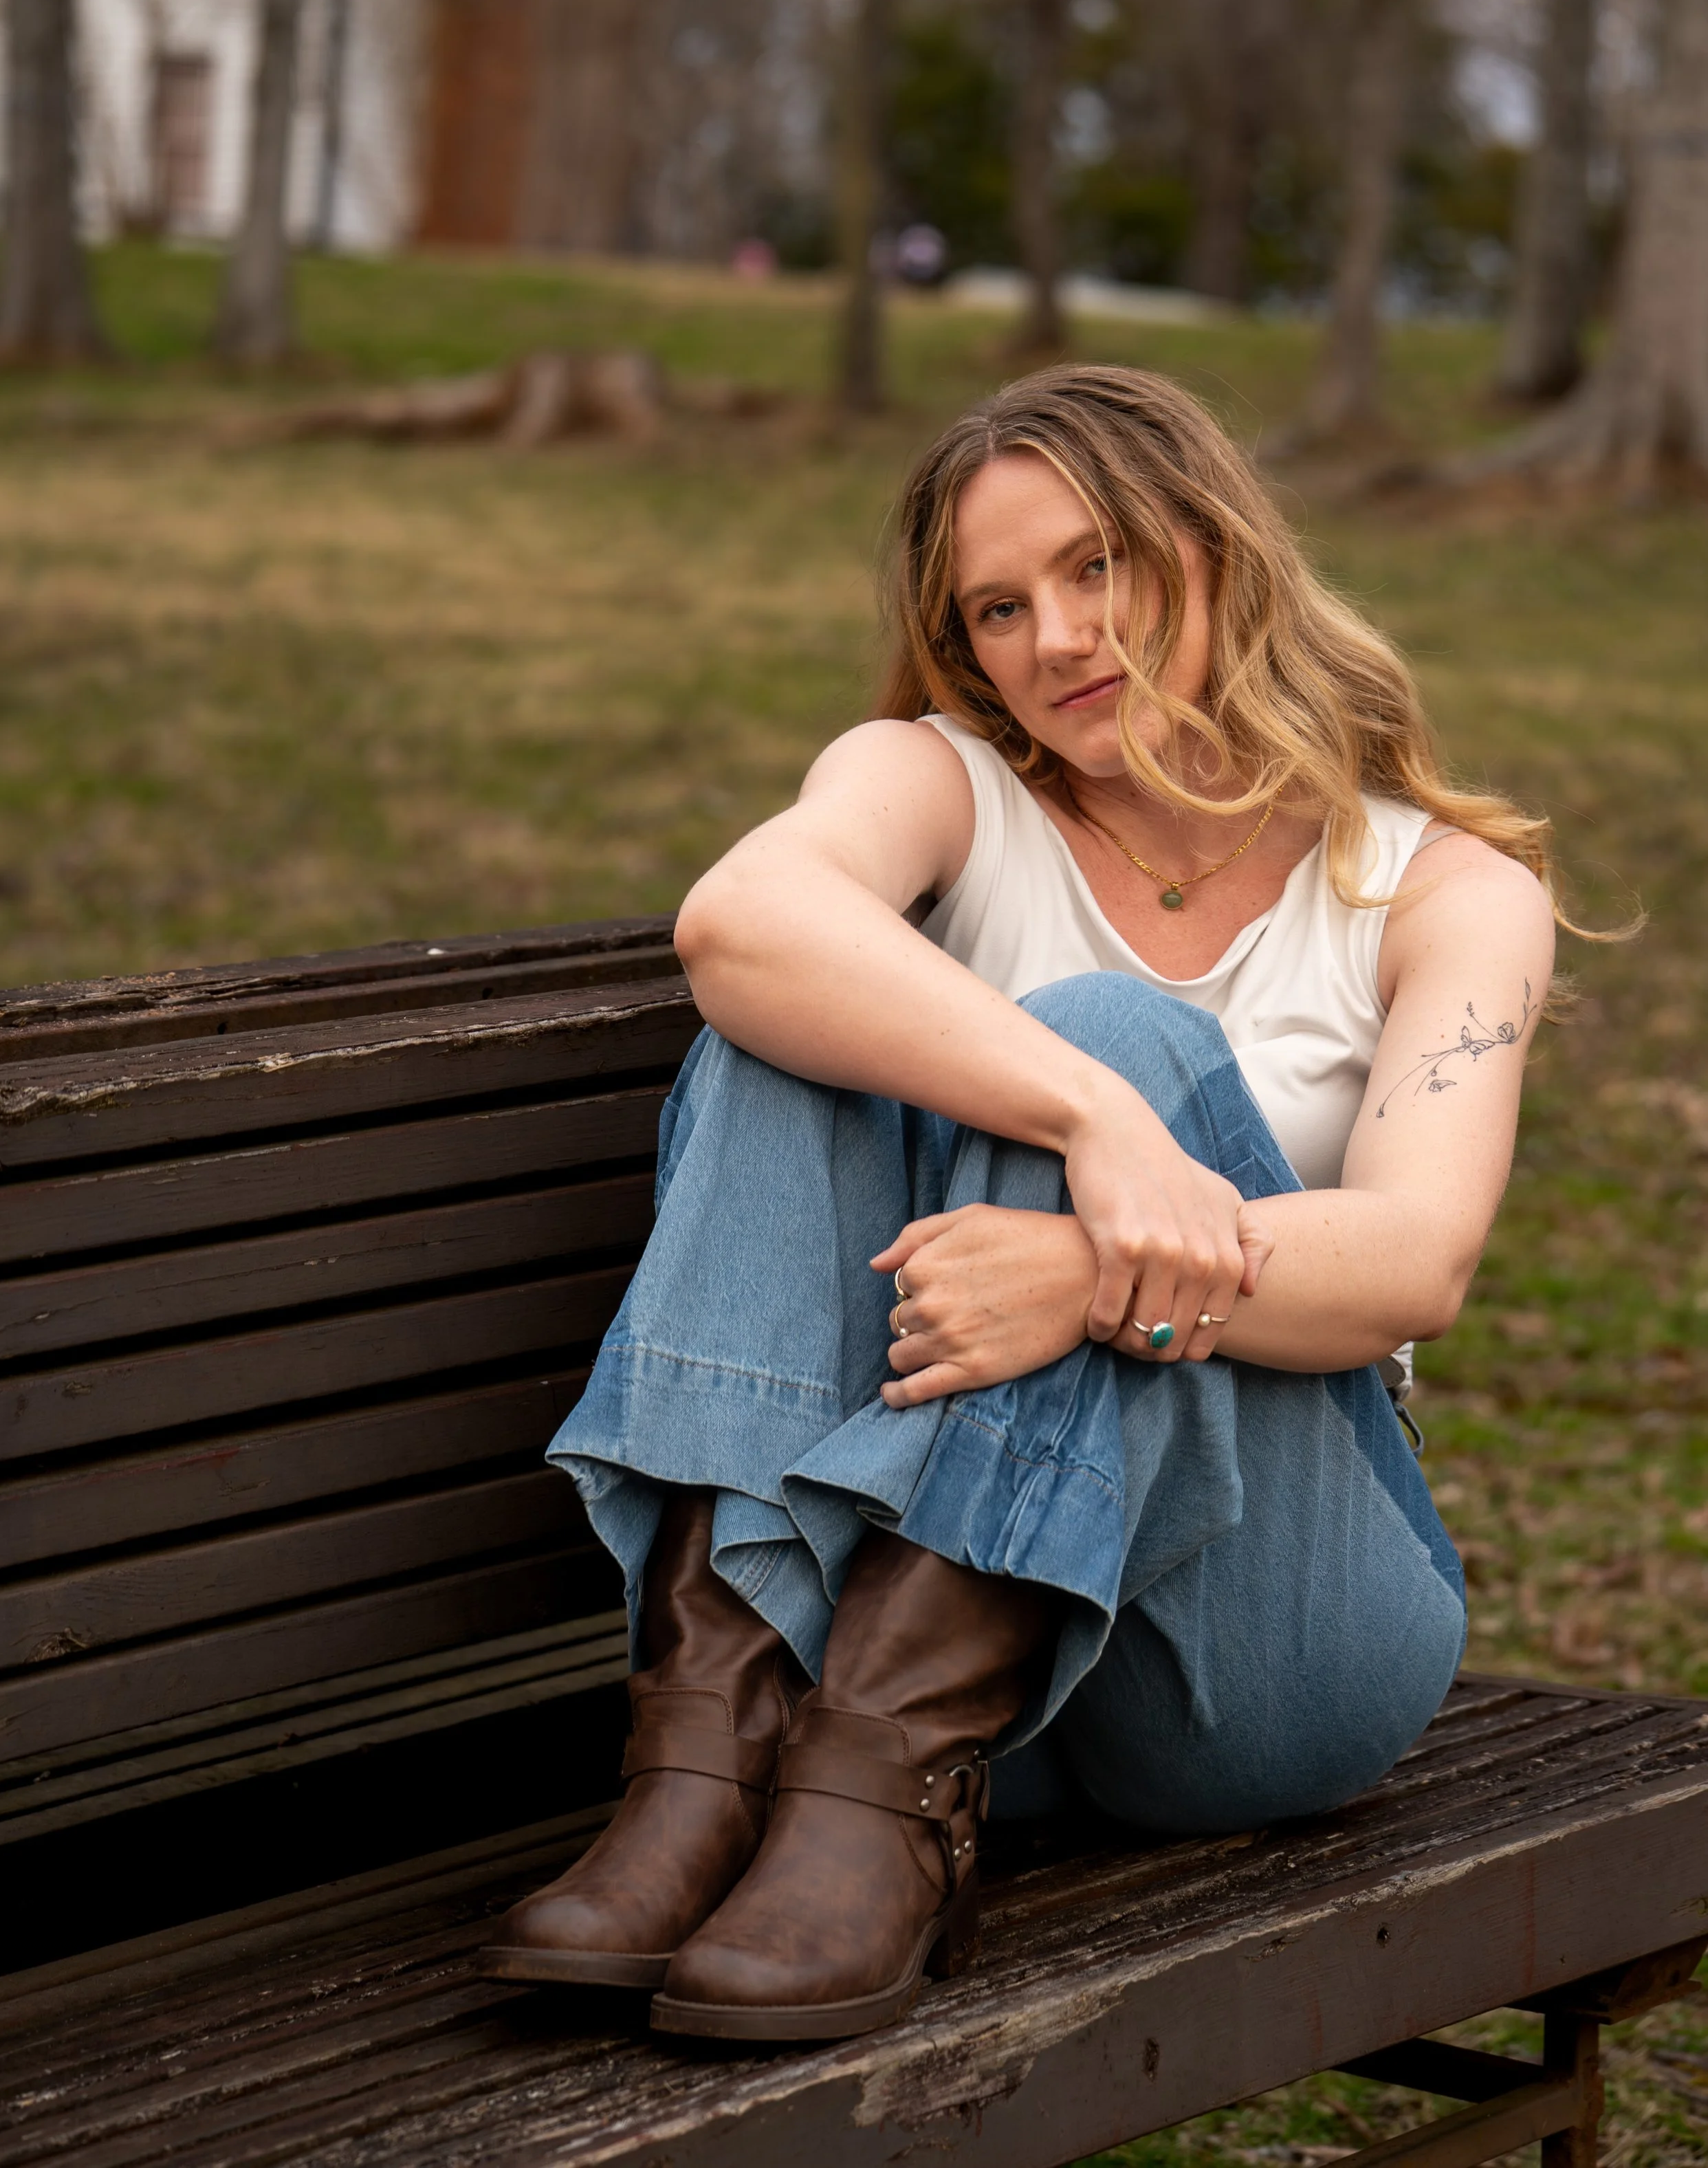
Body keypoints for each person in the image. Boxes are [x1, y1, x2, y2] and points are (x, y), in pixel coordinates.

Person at [480, 365, 1559, 2044]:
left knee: (1119, 1021)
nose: (1055, 637)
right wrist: (1091, 1121)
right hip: (934, 1685)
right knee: (791, 1027)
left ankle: (874, 1786)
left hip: (1259, 1649)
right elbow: (739, 922)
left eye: (1096, 567)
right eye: (997, 606)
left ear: (1214, 552)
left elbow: (1414, 1261)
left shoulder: (1434, 887)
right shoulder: (936, 783)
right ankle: (711, 1756)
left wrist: (1084, 1269)